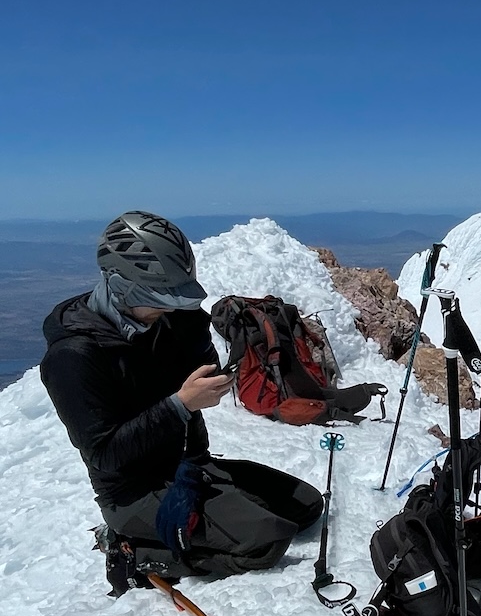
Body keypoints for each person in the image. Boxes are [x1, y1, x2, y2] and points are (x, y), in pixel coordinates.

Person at [42, 211, 322, 578]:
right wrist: (181, 405)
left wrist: (198, 347)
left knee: (305, 506)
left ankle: (202, 515)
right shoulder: (74, 358)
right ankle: (133, 554)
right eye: (160, 298)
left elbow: (192, 368)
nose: (170, 307)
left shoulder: (165, 319)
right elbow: (105, 454)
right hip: (132, 492)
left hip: (188, 467)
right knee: (266, 541)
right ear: (120, 286)